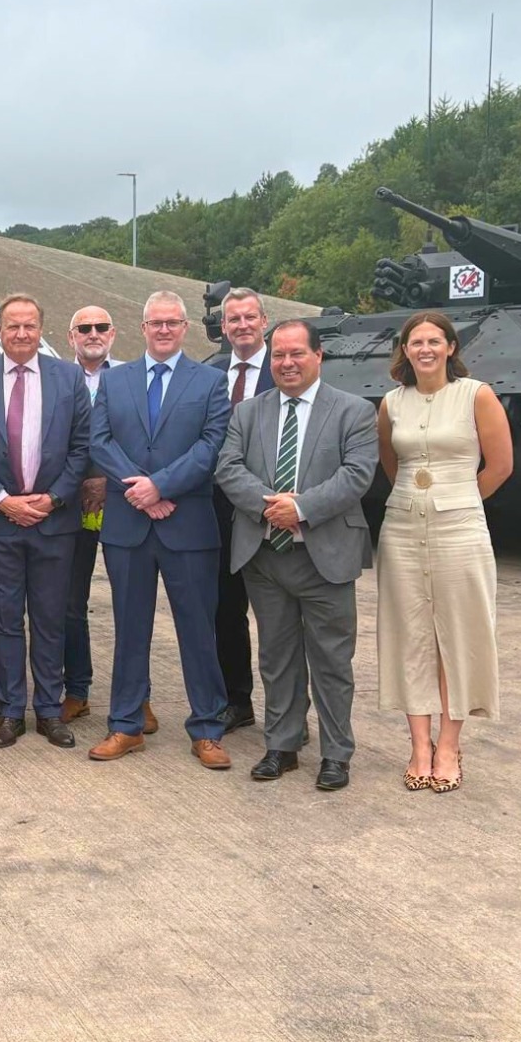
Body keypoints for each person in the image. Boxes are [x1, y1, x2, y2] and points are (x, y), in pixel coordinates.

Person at [215, 321, 378, 791]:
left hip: (325, 556)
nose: (286, 363)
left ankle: (336, 753)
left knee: (331, 660)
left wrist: (301, 509)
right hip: (265, 557)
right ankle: (282, 745)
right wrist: (273, 508)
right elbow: (229, 467)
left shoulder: (353, 411)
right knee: (277, 656)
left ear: (319, 355)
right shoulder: (247, 413)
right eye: (279, 355)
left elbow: (357, 474)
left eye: (296, 354)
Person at [89, 291, 232, 770]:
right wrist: (140, 490)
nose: (164, 329)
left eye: (173, 322)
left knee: (198, 630)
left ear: (185, 326)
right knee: (130, 630)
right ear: (143, 327)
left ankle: (208, 728)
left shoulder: (211, 382)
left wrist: (160, 485)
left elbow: (212, 445)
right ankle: (126, 725)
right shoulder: (115, 380)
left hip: (186, 523)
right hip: (129, 523)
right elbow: (99, 440)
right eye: (156, 322)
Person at [376, 311, 512, 794]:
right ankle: (418, 746)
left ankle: (450, 746)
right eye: (417, 342)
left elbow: (500, 465)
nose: (426, 349)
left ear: (451, 347)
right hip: (402, 528)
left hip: (460, 526)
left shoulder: (476, 395)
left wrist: (458, 499)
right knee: (410, 634)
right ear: (406, 350)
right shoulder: (392, 403)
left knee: (460, 632)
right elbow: (393, 465)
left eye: (435, 341)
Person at [0, 295, 90, 750]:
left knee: (51, 619)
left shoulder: (68, 378)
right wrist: (3, 501)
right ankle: (12, 710)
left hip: (54, 523)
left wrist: (52, 500)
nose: (21, 334)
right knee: (5, 620)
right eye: (12, 326)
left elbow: (81, 448)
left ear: (41, 329)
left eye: (30, 326)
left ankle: (49, 710)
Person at [62, 305, 139, 727]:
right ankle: (77, 690)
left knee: (132, 602)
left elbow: (146, 441)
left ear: (114, 333)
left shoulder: (133, 377)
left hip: (123, 504)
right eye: (84, 328)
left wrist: (108, 482)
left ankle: (136, 697)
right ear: (70, 336)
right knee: (69, 605)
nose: (93, 333)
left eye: (101, 327)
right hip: (71, 510)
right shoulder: (58, 378)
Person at [209, 287, 276, 737]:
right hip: (218, 512)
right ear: (224, 327)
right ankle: (238, 701)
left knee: (280, 617)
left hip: (277, 510)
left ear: (264, 320)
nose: (242, 325)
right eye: (233, 319)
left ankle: (288, 710)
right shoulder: (210, 374)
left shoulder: (288, 366)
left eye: (249, 317)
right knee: (225, 611)